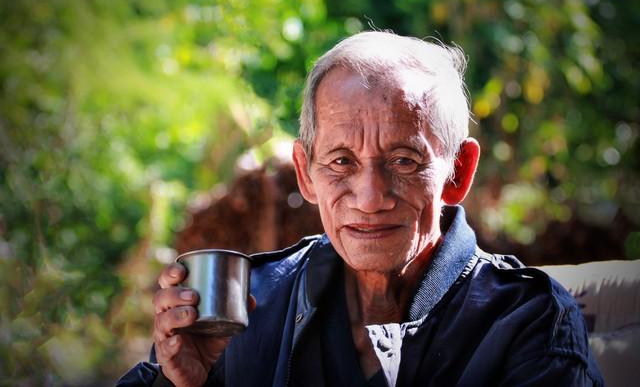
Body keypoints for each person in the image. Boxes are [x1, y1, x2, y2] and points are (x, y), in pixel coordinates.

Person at [118, 31, 604, 387]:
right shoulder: (249, 303)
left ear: (457, 172)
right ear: (306, 174)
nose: (370, 198)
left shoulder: (528, 322)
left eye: (403, 160)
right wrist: (179, 383)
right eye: (341, 161)